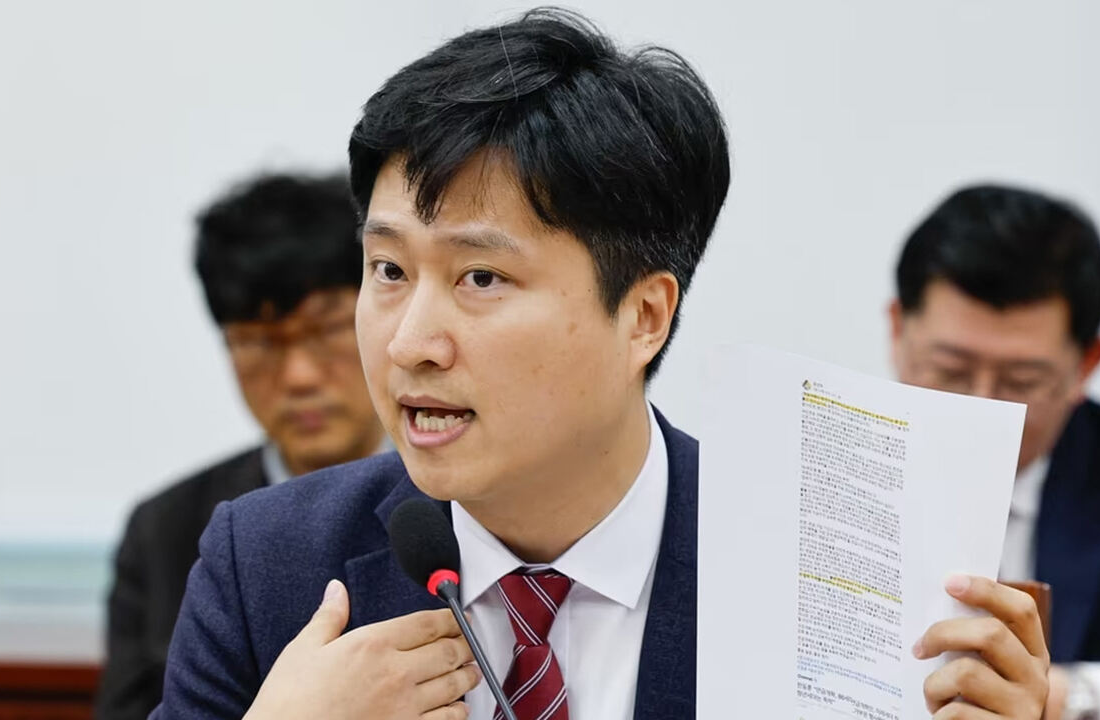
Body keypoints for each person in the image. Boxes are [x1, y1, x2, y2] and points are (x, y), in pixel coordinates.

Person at [154, 11, 1049, 720]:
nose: (409, 342)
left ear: (643, 317)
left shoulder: (823, 582)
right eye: (388, 270)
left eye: (480, 277)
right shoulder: (268, 564)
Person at [96, 172, 386, 720]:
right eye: (257, 342)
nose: (299, 376)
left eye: (326, 329)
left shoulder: (458, 500)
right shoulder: (165, 531)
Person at [889, 183, 1100, 719]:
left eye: (1021, 381)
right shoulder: (813, 463)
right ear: (897, 331)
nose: (982, 406)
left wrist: (1067, 699)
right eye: (951, 371)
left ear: (1086, 365)